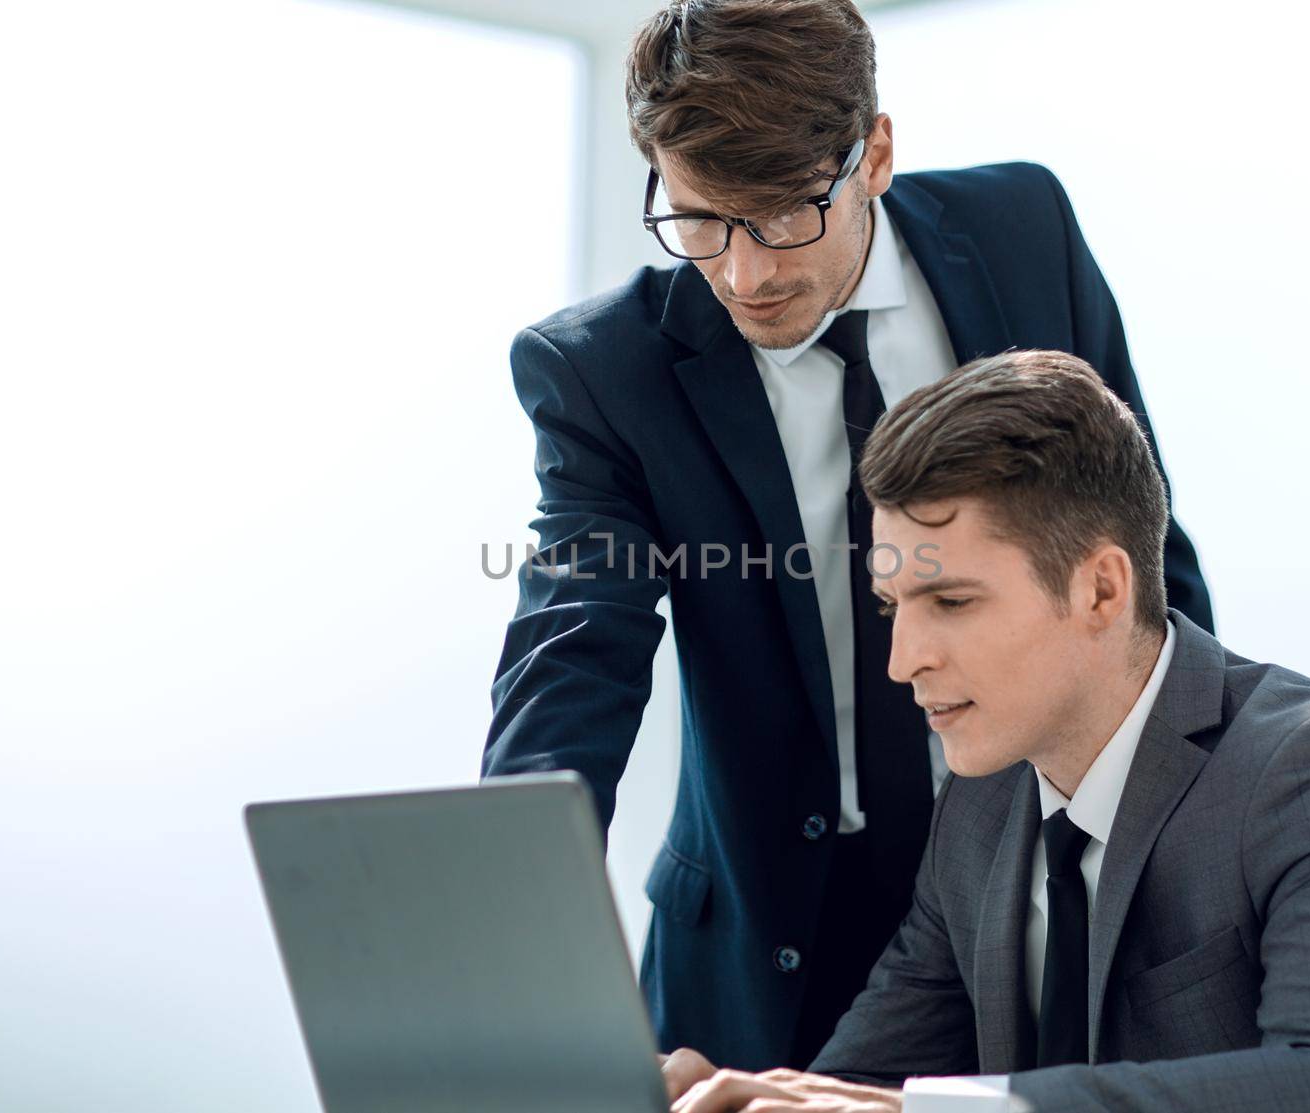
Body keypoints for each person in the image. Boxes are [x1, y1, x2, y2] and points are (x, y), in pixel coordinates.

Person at [484, 0, 1213, 1071]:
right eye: (698, 222)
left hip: (1037, 886)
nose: (744, 274)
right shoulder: (602, 370)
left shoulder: (1021, 232)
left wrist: (1203, 835)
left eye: (782, 217)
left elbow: (1143, 559)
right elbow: (573, 647)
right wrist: (512, 916)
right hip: (758, 943)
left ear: (871, 152)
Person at [659, 350, 1310, 1113]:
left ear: (1101, 589)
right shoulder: (978, 809)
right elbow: (861, 1091)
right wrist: (747, 1099)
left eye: (951, 602)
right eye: (890, 606)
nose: (902, 662)